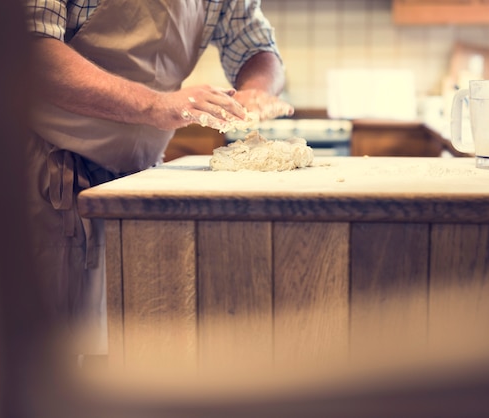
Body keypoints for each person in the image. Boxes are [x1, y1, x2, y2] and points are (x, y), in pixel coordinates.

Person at [25, 0, 293, 356]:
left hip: (138, 181)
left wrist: (256, 91)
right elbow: (31, 53)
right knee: (50, 355)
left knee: (132, 349)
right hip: (46, 172)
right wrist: (155, 105)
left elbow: (257, 46)